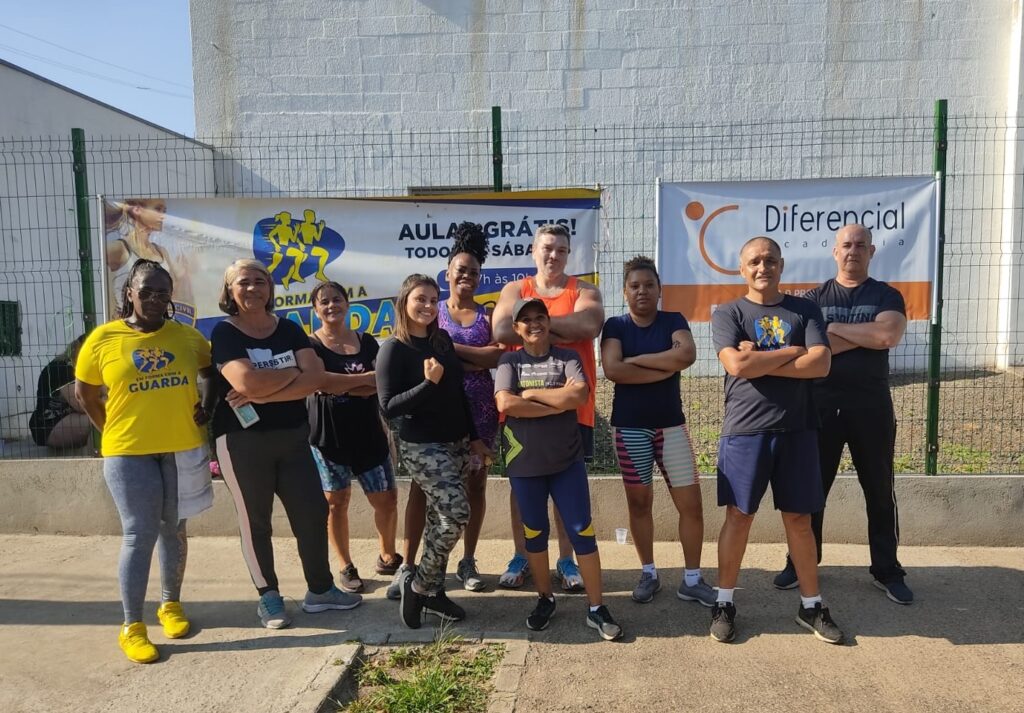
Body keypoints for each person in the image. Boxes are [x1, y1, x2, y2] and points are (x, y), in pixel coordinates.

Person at [74, 259, 215, 664]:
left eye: (162, 292)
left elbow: (210, 373)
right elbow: (85, 394)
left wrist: (207, 406)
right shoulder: (103, 338)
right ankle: (132, 626)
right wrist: (110, 430)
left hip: (180, 447)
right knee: (139, 534)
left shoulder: (187, 337)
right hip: (128, 452)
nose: (154, 299)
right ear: (129, 293)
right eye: (146, 291)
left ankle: (170, 604)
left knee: (175, 530)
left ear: (171, 296)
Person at [211, 259, 361, 630]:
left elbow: (315, 379)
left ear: (270, 288)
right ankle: (269, 596)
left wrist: (262, 392)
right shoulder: (225, 333)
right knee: (256, 522)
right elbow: (246, 382)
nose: (253, 288)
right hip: (242, 442)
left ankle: (321, 590)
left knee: (312, 513)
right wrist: (290, 374)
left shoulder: (290, 329)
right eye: (243, 282)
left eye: (260, 281)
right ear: (229, 290)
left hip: (294, 438)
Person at [710, 237, 844, 645]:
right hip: (746, 430)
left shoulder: (805, 310)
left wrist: (760, 360)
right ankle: (724, 602)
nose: (762, 267)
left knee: (799, 520)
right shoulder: (728, 313)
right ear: (741, 268)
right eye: (754, 261)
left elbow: (821, 363)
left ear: (781, 265)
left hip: (798, 429)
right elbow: (736, 364)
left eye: (769, 260)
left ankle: (811, 605)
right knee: (739, 516)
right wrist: (791, 352)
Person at [773, 224, 912, 604]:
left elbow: (887, 336)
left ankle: (887, 570)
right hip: (819, 408)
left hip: (871, 408)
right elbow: (809, 349)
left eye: (860, 245)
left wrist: (833, 329)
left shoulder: (887, 294)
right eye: (846, 245)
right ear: (835, 252)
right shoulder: (813, 299)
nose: (853, 251)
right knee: (811, 490)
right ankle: (801, 562)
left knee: (879, 491)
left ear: (872, 251)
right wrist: (860, 335)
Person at [495, 297, 622, 640]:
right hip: (525, 464)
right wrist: (555, 403)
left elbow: (578, 396)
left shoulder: (567, 357)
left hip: (567, 462)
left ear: (549, 323)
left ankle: (596, 608)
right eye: (526, 320)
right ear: (516, 328)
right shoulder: (509, 360)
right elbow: (505, 402)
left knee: (582, 531)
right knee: (534, 534)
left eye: (540, 317)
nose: (534, 323)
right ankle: (545, 599)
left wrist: (530, 396)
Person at [388, 223, 501, 598]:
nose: (467, 276)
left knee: (475, 485)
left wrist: (451, 352)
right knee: (422, 490)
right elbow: (429, 353)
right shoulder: (433, 314)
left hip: (478, 411)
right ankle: (408, 566)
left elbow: (495, 356)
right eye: (460, 270)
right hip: (430, 412)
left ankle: (466, 561)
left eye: (474, 272)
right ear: (448, 273)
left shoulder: (487, 315)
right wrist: (468, 358)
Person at [492, 223, 603, 591]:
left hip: (573, 411)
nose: (553, 255)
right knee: (522, 486)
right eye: (547, 248)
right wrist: (559, 327)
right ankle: (522, 555)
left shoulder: (584, 290)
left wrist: (535, 325)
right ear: (533, 251)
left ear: (568, 254)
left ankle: (566, 560)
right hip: (519, 415)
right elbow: (501, 331)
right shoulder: (515, 289)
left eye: (560, 249)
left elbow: (589, 324)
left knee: (565, 488)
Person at [377, 274, 491, 629]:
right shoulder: (393, 348)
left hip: (457, 442)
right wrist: (428, 384)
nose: (427, 306)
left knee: (438, 520)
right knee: (457, 513)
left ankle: (435, 592)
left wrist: (474, 437)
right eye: (419, 299)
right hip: (422, 445)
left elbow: (458, 393)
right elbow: (388, 407)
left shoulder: (441, 341)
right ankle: (419, 585)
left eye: (431, 299)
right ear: (404, 302)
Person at [600, 256, 715, 606]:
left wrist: (635, 361)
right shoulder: (615, 326)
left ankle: (692, 580)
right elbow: (612, 370)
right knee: (639, 504)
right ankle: (648, 573)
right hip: (630, 428)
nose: (642, 291)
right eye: (634, 286)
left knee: (691, 505)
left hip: (671, 427)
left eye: (649, 285)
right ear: (625, 292)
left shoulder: (673, 320)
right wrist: (664, 364)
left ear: (660, 289)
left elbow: (687, 355)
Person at [307, 280, 400, 593]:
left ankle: (388, 556)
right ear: (315, 310)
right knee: (336, 503)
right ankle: (345, 565)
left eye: (337, 299)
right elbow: (319, 382)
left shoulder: (367, 341)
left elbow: (382, 382)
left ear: (347, 304)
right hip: (328, 438)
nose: (331, 305)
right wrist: (362, 382)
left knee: (386, 500)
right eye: (324, 301)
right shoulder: (310, 345)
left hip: (369, 433)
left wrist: (338, 384)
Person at [105, 199, 194, 316]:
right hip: (128, 324)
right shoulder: (120, 248)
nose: (163, 216)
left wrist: (183, 276)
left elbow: (172, 294)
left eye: (164, 211)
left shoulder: (161, 252)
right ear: (137, 210)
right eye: (158, 209)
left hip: (158, 322)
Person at [29, 335, 92, 450]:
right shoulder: (63, 367)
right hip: (48, 426)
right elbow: (82, 405)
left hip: (69, 418)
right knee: (99, 418)